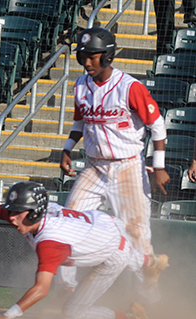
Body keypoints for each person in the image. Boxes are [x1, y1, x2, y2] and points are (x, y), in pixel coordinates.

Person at [0, 182, 169, 319]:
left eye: (18, 212)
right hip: (101, 223)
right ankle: (148, 262)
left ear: (34, 214)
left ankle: (131, 317)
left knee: (72, 314)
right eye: (11, 211)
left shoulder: (50, 241)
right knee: (107, 242)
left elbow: (42, 289)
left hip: (110, 250)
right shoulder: (28, 216)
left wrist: (8, 315)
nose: (11, 217)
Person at [58, 27, 170, 292]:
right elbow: (81, 120)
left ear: (107, 56)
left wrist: (160, 166)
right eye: (83, 56)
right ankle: (66, 291)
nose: (87, 61)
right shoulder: (81, 85)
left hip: (127, 166)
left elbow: (158, 126)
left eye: (93, 56)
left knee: (137, 233)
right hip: (94, 166)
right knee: (68, 223)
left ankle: (149, 299)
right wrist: (68, 147)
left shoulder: (129, 87)